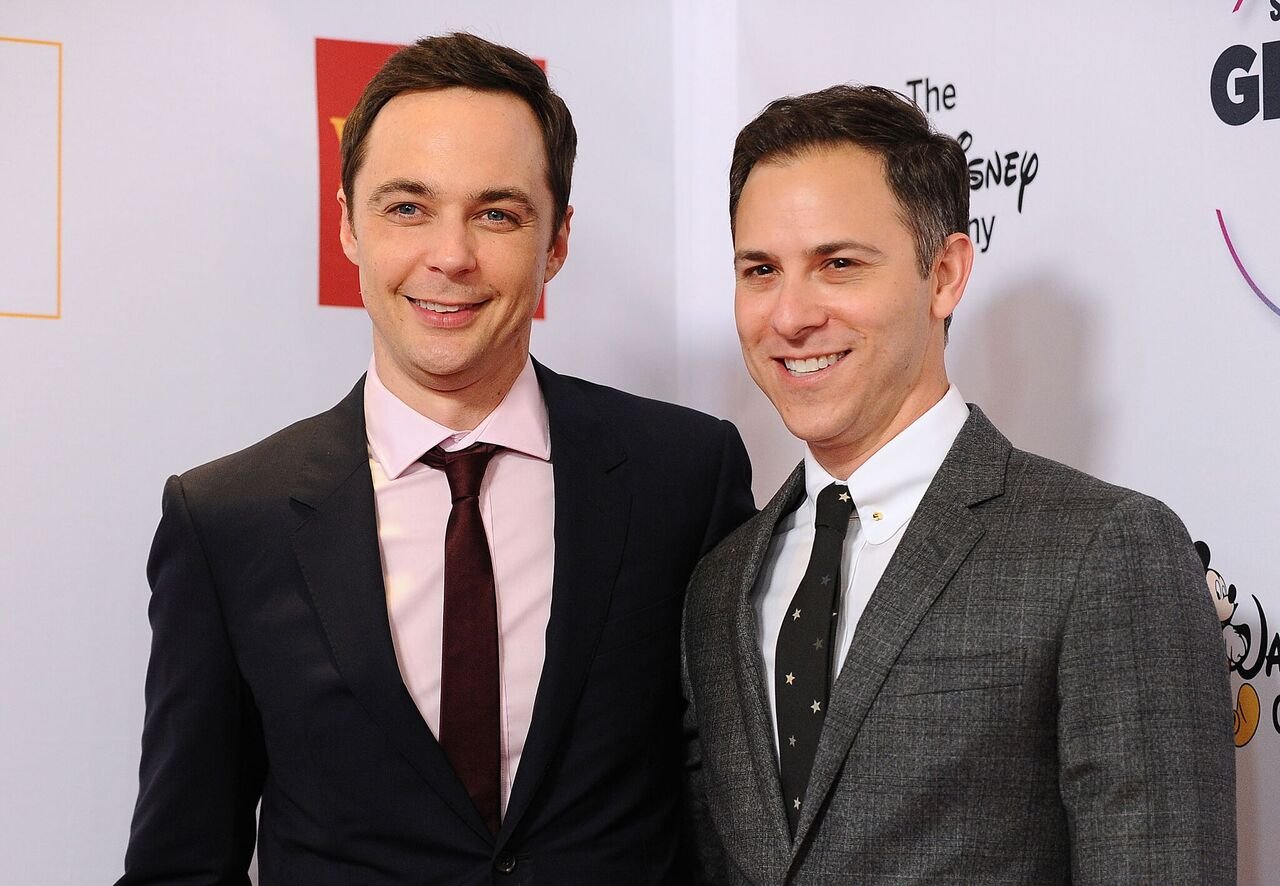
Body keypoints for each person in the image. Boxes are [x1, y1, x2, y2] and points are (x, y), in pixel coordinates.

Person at [118, 33, 754, 884]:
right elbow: (182, 862)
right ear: (346, 224)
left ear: (556, 243)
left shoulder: (686, 475)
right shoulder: (228, 519)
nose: (450, 256)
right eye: (407, 208)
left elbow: (734, 817)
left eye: (497, 213)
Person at [681, 84, 1235, 884]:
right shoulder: (719, 585)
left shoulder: (1102, 551)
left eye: (838, 264)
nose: (790, 315)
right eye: (760, 270)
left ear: (944, 274)